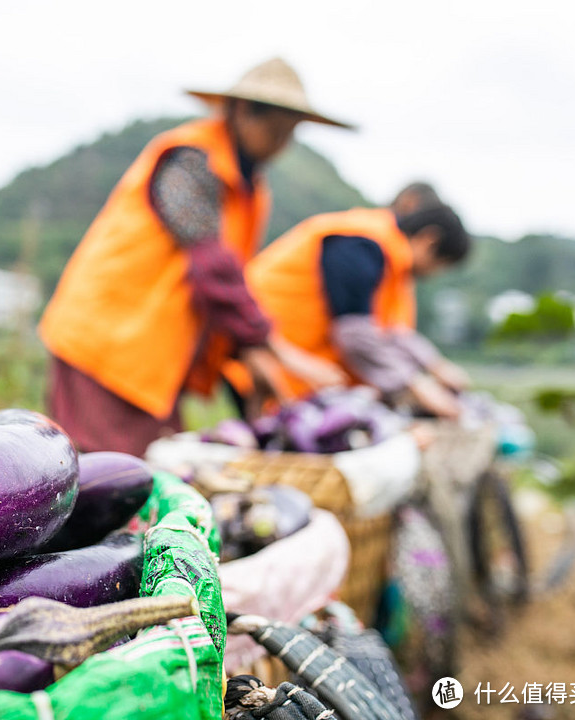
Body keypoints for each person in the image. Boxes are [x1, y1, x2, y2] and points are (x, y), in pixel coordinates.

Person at [38, 58, 353, 455]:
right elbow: (213, 267)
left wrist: (247, 352)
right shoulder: (190, 161)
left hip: (153, 356)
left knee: (152, 475)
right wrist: (278, 350)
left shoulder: (250, 188)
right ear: (241, 110)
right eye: (274, 128)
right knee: (103, 475)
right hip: (110, 340)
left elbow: (225, 283)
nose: (279, 144)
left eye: (289, 133)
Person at [244, 182, 472, 418]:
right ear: (429, 240)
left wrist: (434, 365)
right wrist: (416, 384)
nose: (433, 274)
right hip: (264, 358)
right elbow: (355, 333)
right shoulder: (361, 245)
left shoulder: (389, 259)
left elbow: (390, 331)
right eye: (440, 265)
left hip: (294, 367)